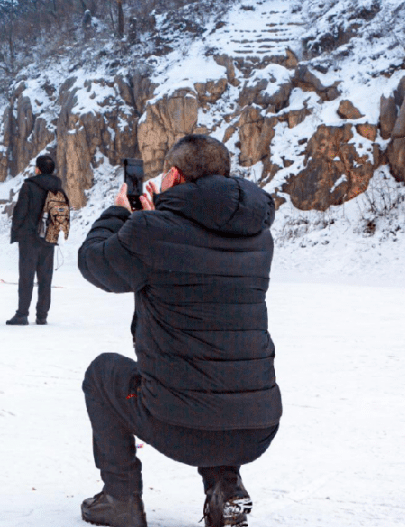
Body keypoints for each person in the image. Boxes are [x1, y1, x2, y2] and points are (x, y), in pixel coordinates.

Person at [77, 135, 281, 527]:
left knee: (102, 373)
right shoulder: (258, 236)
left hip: (180, 426)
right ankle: (227, 489)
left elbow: (94, 264)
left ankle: (120, 498)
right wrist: (148, 224)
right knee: (219, 365)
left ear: (173, 175)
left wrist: (121, 214)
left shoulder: (152, 231)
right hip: (257, 426)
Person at [7, 154, 67, 326]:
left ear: (37, 169)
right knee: (45, 279)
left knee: (26, 277)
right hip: (49, 238)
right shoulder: (58, 189)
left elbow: (20, 211)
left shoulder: (29, 186)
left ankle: (22, 314)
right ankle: (42, 316)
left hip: (29, 238)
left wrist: (16, 232)